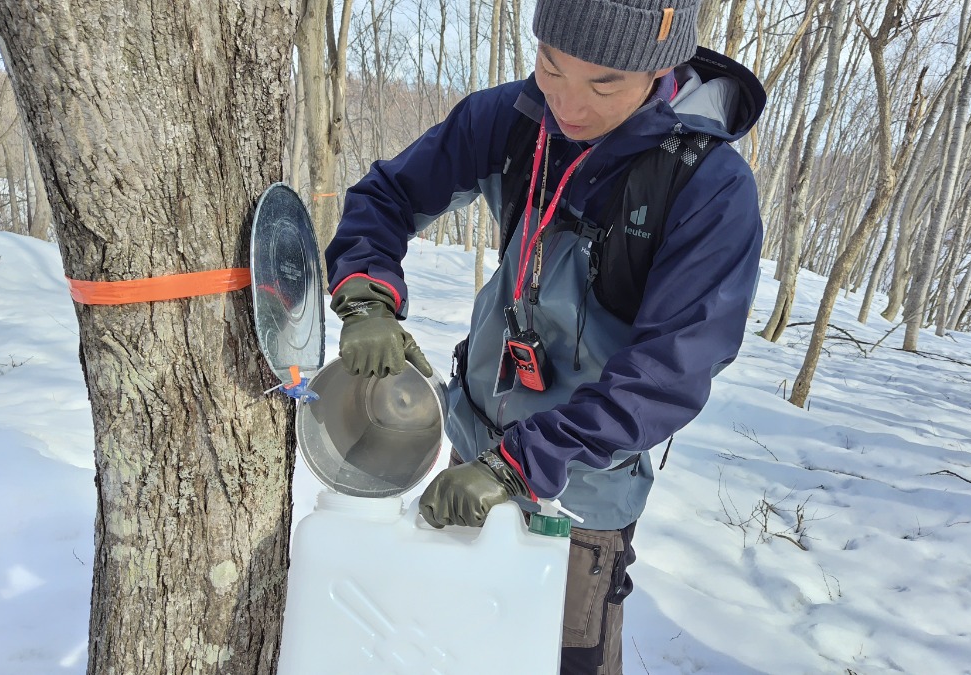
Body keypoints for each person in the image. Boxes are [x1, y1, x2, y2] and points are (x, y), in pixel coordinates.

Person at [324, 0, 766, 672]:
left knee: (557, 658)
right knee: (454, 646)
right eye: (551, 66)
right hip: (472, 460)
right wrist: (366, 296)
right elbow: (387, 196)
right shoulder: (515, 119)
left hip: (580, 493)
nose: (568, 103)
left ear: (659, 69)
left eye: (603, 83)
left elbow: (669, 372)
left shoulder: (707, 186)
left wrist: (522, 464)